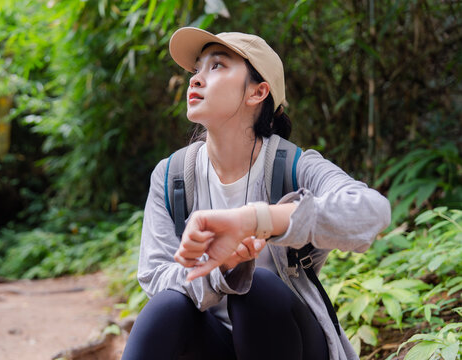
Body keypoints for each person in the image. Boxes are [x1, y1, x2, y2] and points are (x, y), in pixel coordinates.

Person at [121, 27, 391, 360]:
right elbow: (156, 277)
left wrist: (255, 220)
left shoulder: (293, 166)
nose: (195, 79)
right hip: (215, 345)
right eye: (196, 70)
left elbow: (372, 212)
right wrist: (222, 269)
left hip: (292, 345)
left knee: (258, 288)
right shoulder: (173, 176)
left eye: (217, 65)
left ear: (257, 92)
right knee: (166, 306)